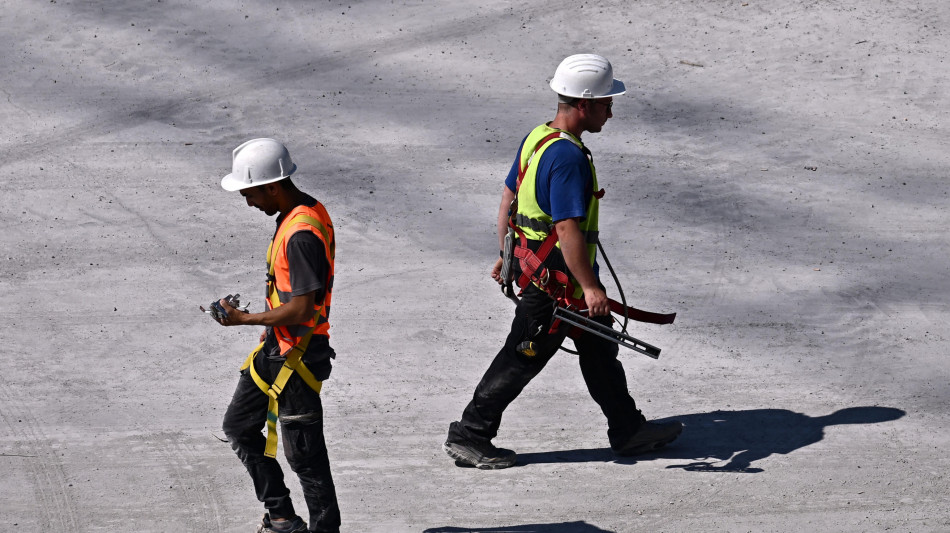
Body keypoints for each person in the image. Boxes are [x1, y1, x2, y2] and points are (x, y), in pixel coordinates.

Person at [443, 54, 683, 469]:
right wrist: (590, 287)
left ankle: (627, 429)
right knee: (521, 357)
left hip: (546, 272)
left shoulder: (538, 138)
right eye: (607, 104)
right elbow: (567, 228)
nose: (611, 113)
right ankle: (470, 433)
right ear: (585, 104)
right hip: (557, 286)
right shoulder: (569, 158)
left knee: (600, 352)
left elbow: (509, 197)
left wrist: (507, 255)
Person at [214, 138, 340, 532]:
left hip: (298, 355)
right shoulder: (300, 213)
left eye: (250, 193)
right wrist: (266, 327)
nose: (248, 202)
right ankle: (282, 517)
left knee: (306, 459)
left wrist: (245, 319)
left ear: (272, 187)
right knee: (239, 427)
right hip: (277, 348)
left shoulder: (300, 234)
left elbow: (302, 308)